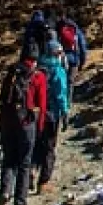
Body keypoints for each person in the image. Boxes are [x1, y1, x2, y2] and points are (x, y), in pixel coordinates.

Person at [0, 43, 47, 205]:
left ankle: (4, 192)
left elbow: (3, 99)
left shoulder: (12, 73)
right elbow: (42, 103)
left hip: (9, 122)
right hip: (26, 123)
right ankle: (20, 202)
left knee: (9, 159)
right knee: (25, 163)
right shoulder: (38, 77)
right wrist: (40, 126)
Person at [34, 40, 69, 195]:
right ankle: (44, 181)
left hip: (34, 113)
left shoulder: (37, 68)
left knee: (36, 145)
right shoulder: (57, 71)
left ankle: (31, 171)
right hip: (51, 113)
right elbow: (60, 94)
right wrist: (64, 112)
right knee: (49, 147)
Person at [53, 10, 87, 87]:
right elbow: (82, 47)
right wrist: (82, 63)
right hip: (74, 59)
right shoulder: (76, 30)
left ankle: (60, 98)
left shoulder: (58, 28)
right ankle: (68, 98)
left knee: (60, 82)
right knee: (70, 82)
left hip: (61, 58)